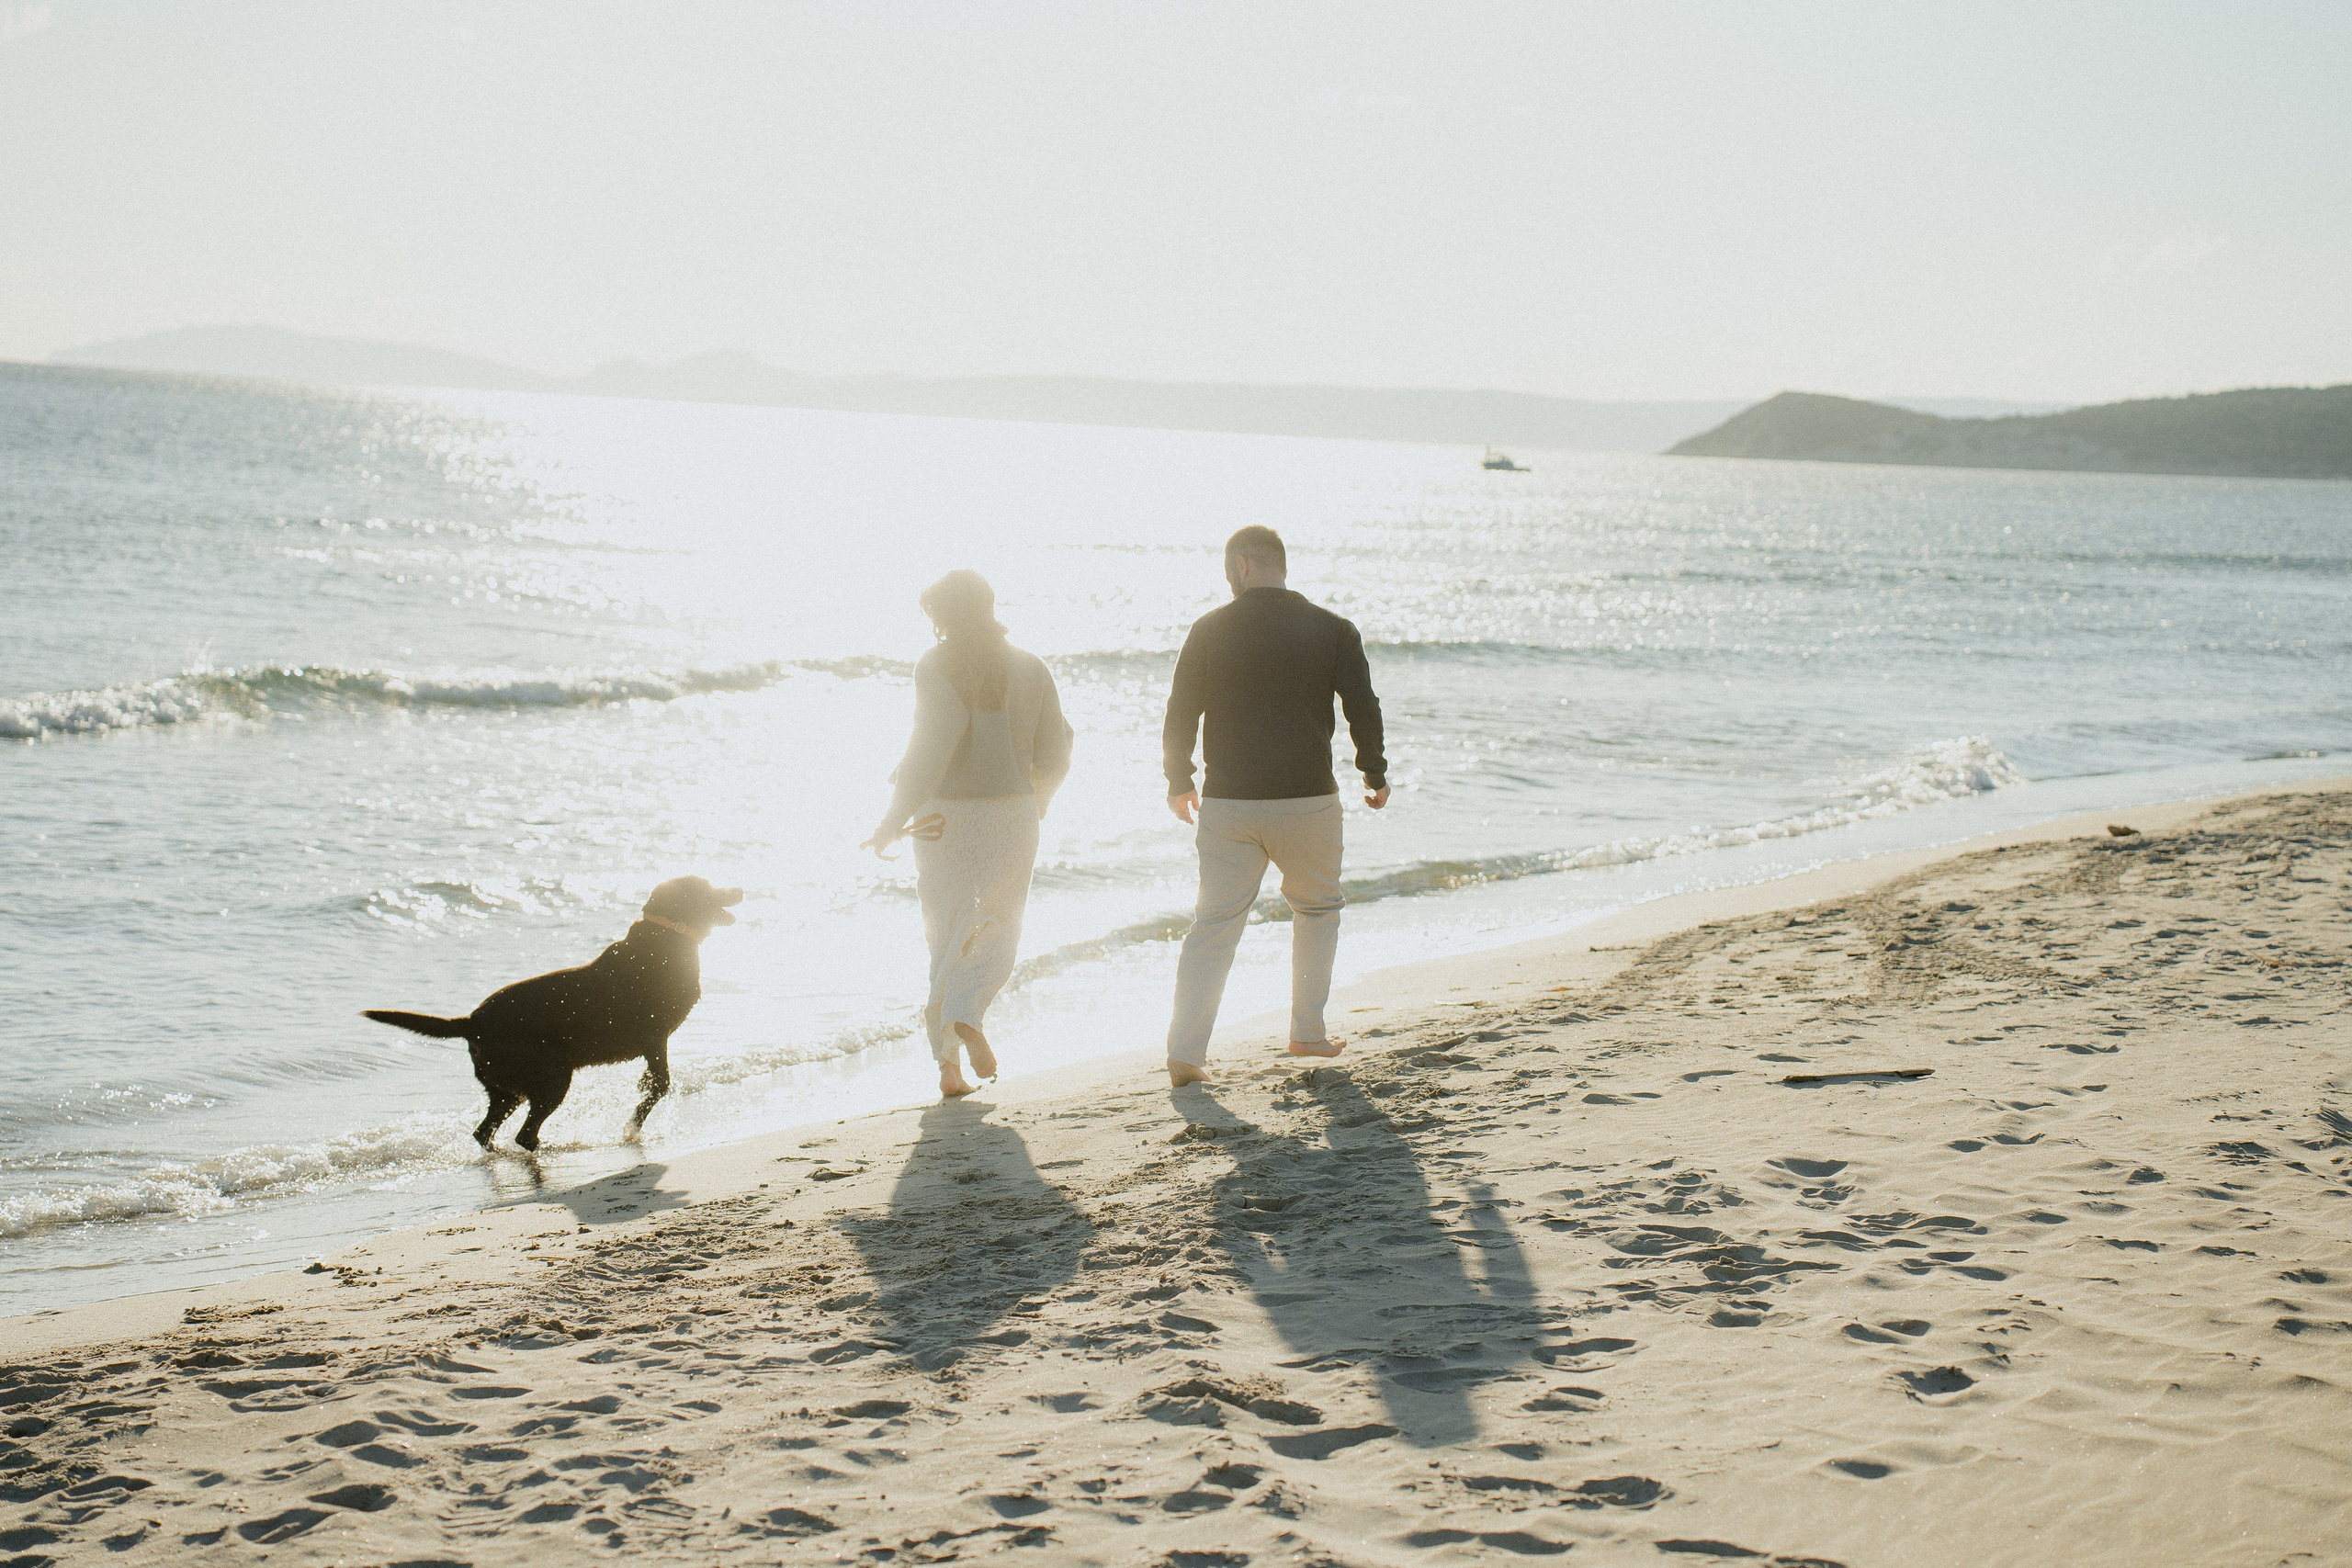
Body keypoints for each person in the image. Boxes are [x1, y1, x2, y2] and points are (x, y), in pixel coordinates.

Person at [1161, 526, 1387, 1087]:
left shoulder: (1209, 629)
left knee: (1214, 923)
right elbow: (1363, 705)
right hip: (1307, 801)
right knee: (1316, 911)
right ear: (1276, 565)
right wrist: (1374, 773)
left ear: (1240, 566)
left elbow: (1181, 708)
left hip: (1229, 801)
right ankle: (1306, 1032)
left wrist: (1178, 779)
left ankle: (1186, 1054)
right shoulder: (1333, 629)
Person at [865, 570, 1073, 1100]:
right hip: (1012, 812)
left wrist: (893, 816)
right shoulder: (1031, 666)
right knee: (1001, 926)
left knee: (946, 932)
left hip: (943, 817)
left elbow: (930, 745)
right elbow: (1059, 747)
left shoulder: (935, 665)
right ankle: (968, 1011)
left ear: (941, 616)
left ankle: (949, 1068)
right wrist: (1037, 800)